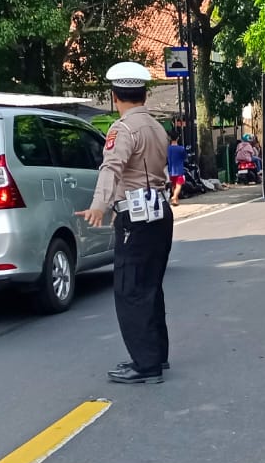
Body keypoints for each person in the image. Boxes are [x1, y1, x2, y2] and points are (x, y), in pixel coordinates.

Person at [76, 61, 173, 385]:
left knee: (130, 288)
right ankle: (156, 354)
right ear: (144, 94)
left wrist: (98, 205)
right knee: (150, 286)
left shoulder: (123, 129)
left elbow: (111, 167)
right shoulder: (158, 127)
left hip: (135, 216)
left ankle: (145, 365)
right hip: (160, 211)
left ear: (114, 96)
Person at [167, 134, 187, 206]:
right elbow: (185, 157)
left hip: (171, 170)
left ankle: (175, 200)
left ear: (169, 138)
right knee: (179, 185)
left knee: (173, 185)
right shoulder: (181, 148)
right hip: (179, 170)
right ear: (178, 138)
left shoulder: (168, 149)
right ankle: (174, 197)